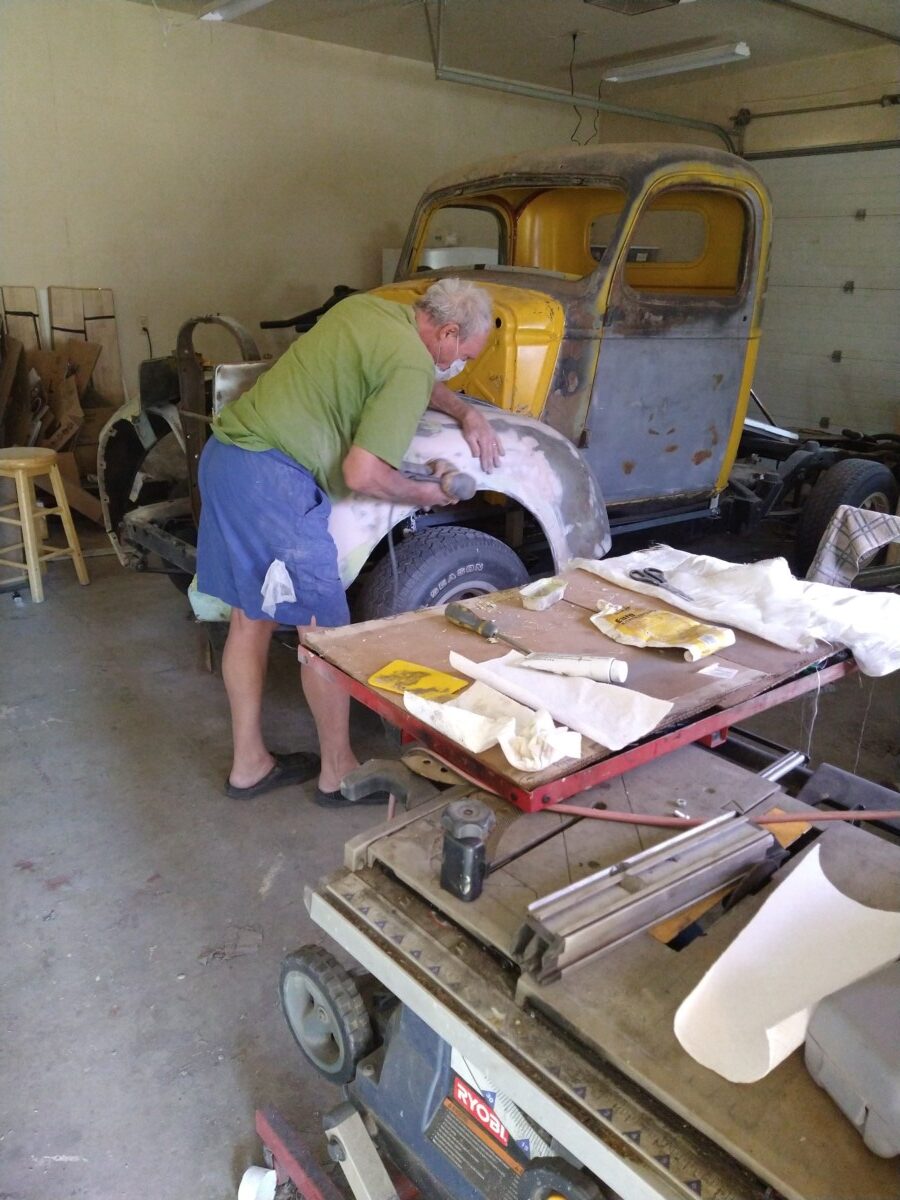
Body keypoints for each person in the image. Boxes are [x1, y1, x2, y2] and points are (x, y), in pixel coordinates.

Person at [196, 278, 502, 806]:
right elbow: (362, 473)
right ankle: (338, 774)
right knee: (326, 635)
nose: (459, 365)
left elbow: (412, 373)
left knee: (251, 617)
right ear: (448, 333)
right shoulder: (412, 363)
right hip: (274, 483)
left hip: (227, 459)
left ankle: (250, 765)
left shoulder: (368, 311)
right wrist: (423, 494)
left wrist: (466, 411)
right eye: (465, 355)